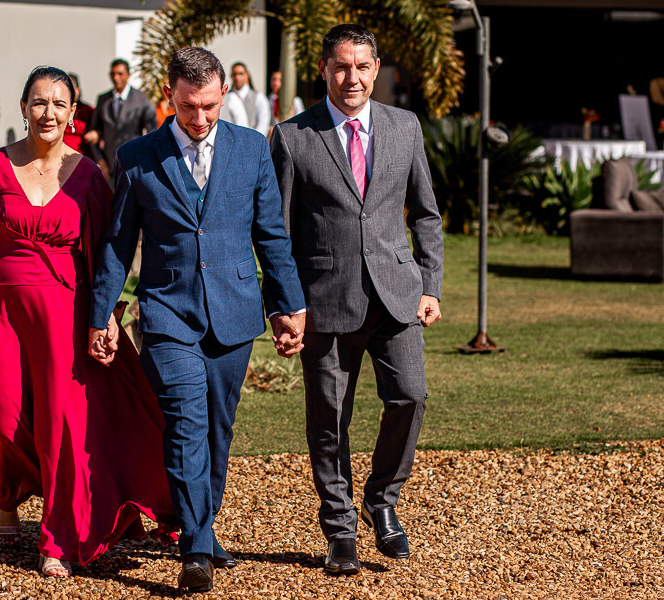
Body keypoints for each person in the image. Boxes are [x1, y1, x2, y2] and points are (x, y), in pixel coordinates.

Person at [88, 47, 306, 593]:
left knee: (216, 428)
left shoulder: (252, 149)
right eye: (189, 107)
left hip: (234, 313)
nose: (200, 118)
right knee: (186, 419)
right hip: (166, 312)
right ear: (170, 96)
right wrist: (104, 313)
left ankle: (203, 526)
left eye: (209, 105)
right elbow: (118, 243)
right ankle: (196, 549)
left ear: (223, 95)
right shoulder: (136, 155)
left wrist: (287, 307)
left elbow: (271, 237)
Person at [0, 66, 174, 579]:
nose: (47, 112)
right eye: (37, 102)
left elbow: (109, 254)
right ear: (23, 107)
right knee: (3, 415)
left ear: (73, 114)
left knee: (59, 425)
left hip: (64, 315)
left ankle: (58, 537)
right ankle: (8, 494)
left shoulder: (90, 176)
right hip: (0, 311)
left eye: (58, 104)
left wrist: (109, 317)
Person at [270, 25, 443, 575]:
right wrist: (284, 304)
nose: (353, 78)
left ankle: (382, 501)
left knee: (410, 398)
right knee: (329, 421)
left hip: (397, 298)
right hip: (324, 300)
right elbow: (275, 231)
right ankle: (339, 529)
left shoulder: (405, 127)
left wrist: (431, 284)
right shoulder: (293, 136)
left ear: (375, 69)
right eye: (342, 67)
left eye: (362, 67)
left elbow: (427, 214)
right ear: (323, 69)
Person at [84, 59, 157, 182]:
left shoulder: (142, 99)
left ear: (128, 75)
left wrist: (145, 162)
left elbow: (152, 134)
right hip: (110, 170)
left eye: (120, 74)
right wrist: (101, 161)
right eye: (113, 74)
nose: (116, 78)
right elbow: (93, 133)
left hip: (135, 167)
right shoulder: (103, 99)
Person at [224, 61, 271, 137]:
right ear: (231, 76)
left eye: (241, 74)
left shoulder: (259, 97)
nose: (237, 77)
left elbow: (263, 123)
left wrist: (253, 141)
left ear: (247, 75)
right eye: (235, 74)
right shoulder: (226, 98)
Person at [62, 72, 94, 156]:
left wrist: (97, 134)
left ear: (78, 90)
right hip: (61, 157)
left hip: (83, 157)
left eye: (72, 89)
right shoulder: (58, 111)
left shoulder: (89, 111)